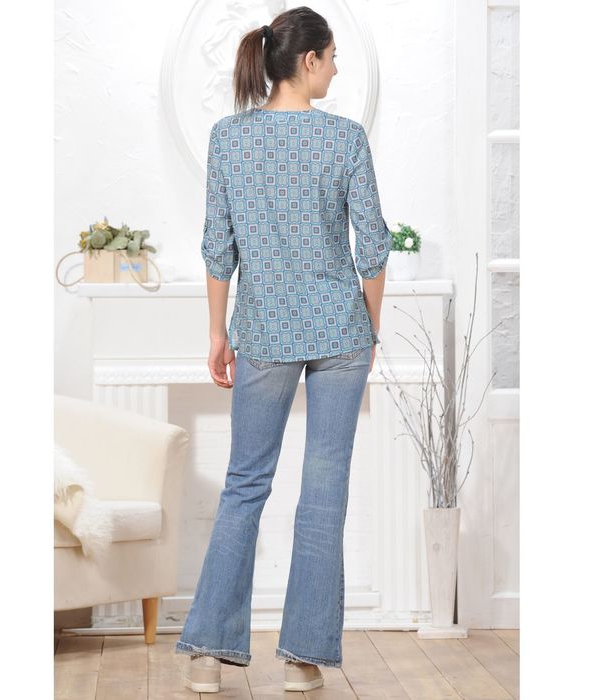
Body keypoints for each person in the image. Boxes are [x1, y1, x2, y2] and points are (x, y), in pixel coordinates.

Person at [176, 6, 391, 693]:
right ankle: (303, 660)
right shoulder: (344, 138)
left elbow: (218, 247)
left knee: (245, 484)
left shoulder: (229, 138)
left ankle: (208, 655)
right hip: (339, 333)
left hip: (263, 330)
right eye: (332, 58)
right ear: (309, 60)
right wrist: (370, 327)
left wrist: (218, 333)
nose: (336, 69)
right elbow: (374, 246)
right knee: (324, 490)